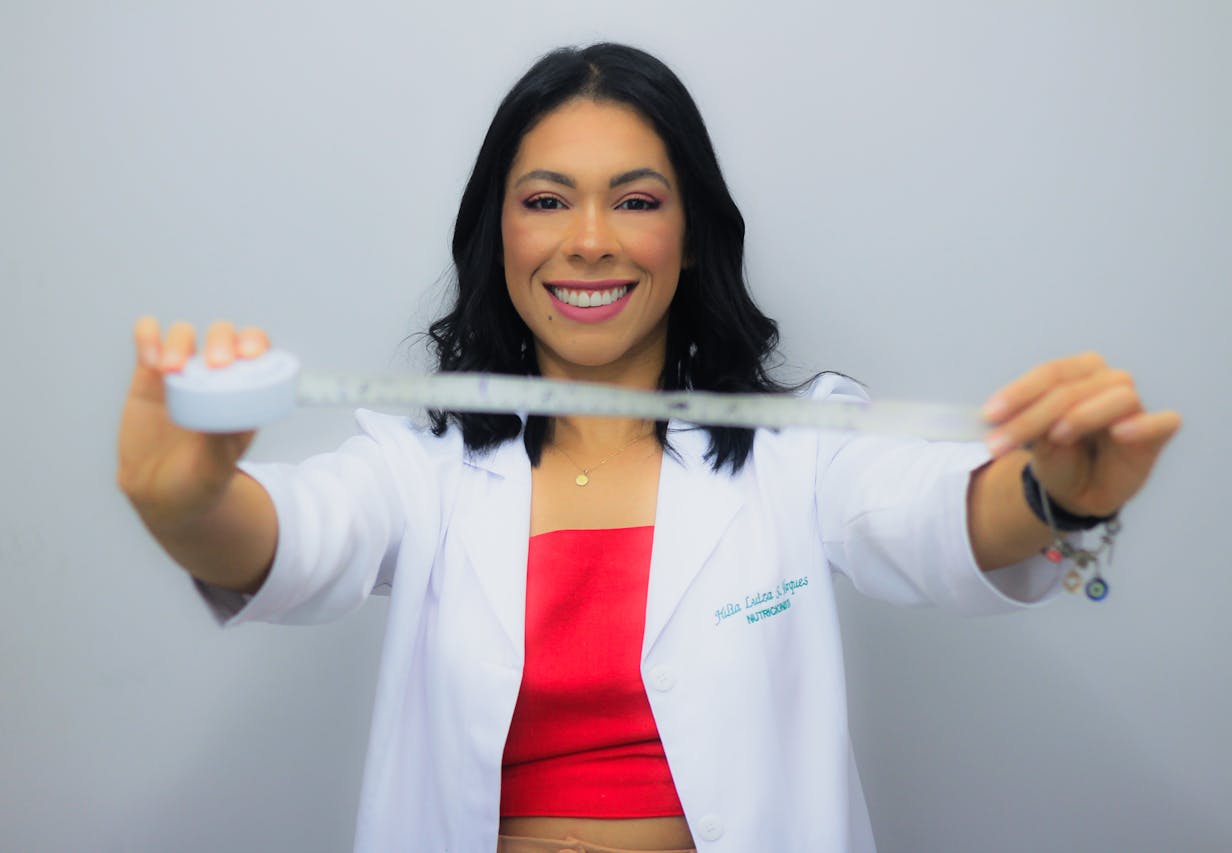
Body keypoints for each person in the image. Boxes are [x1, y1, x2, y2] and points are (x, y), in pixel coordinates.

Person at [118, 43, 1181, 853]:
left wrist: (1054, 494)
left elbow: (928, 512)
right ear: (500, 235)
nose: (589, 239)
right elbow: (293, 537)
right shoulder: (417, 462)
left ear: (691, 236)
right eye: (545, 202)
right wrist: (187, 503)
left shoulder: (796, 445)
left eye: (635, 200)